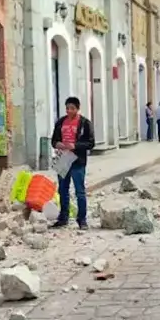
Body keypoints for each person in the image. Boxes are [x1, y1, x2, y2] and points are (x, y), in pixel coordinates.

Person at [50, 96, 95, 230]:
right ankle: (63, 217)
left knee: (79, 191)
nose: (69, 111)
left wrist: (75, 145)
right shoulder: (60, 122)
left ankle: (82, 219)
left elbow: (91, 143)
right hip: (63, 159)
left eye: (72, 108)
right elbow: (53, 140)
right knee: (62, 190)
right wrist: (57, 144)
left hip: (77, 160)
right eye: (68, 108)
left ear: (77, 108)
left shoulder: (85, 123)